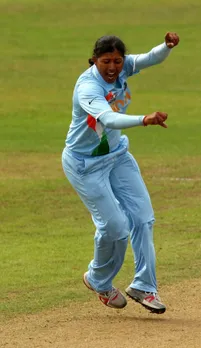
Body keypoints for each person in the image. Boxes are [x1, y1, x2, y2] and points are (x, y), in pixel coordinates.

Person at [62, 32, 180, 314]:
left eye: (117, 60)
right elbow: (109, 118)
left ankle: (144, 286)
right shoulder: (88, 87)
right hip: (85, 165)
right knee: (115, 227)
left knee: (142, 218)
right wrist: (144, 119)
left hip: (117, 157)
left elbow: (150, 59)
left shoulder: (124, 66)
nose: (113, 67)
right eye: (106, 61)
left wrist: (166, 46)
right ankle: (98, 280)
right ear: (94, 60)